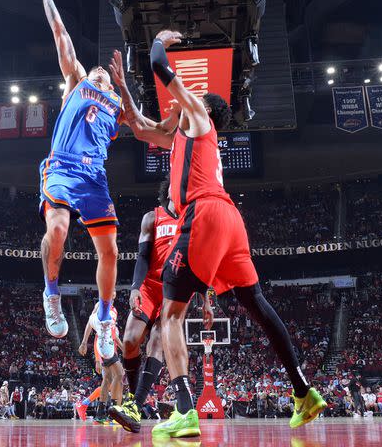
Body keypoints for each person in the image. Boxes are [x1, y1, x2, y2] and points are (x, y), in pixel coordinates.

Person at [109, 32, 326, 438]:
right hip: (230, 220)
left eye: (187, 100)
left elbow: (159, 65)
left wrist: (158, 40)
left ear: (203, 107)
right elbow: (140, 128)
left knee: (172, 316)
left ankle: (185, 411)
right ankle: (303, 392)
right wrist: (122, 87)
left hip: (205, 213)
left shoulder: (198, 116)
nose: (177, 103)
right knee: (256, 303)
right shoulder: (181, 136)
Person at [35, 0, 122, 359]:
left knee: (112, 252)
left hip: (95, 178)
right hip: (62, 168)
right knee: (58, 231)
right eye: (98, 66)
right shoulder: (78, 81)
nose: (100, 66)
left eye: (106, 69)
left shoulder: (118, 104)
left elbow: (147, 127)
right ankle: (51, 292)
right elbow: (61, 36)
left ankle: (105, 319)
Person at [110, 178, 214, 433]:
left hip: (175, 289)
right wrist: (135, 288)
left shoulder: (190, 221)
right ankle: (134, 400)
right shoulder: (151, 218)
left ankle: (134, 405)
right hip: (149, 286)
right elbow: (143, 257)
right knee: (131, 340)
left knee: (158, 338)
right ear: (167, 189)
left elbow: (198, 263)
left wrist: (206, 299)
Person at [78, 300, 124, 423]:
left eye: (114, 292)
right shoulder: (100, 305)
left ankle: (100, 413)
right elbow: (93, 328)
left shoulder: (114, 310)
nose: (113, 294)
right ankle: (113, 412)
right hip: (104, 350)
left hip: (110, 349)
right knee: (118, 376)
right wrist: (97, 359)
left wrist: (124, 349)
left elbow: (114, 336)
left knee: (108, 381)